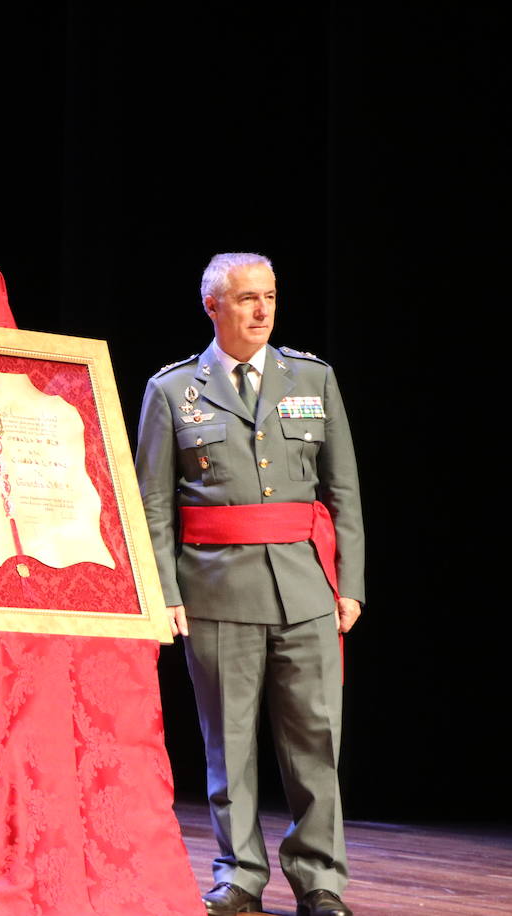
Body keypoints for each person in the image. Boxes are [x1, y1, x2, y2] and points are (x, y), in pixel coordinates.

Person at [135, 253, 364, 916]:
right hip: (214, 588)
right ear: (213, 307)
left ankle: (321, 880)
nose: (262, 311)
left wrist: (349, 583)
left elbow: (343, 489)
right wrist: (165, 592)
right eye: (245, 299)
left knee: (315, 742)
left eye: (268, 296)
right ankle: (238, 874)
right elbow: (154, 504)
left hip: (305, 588)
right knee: (228, 744)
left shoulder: (311, 378)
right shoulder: (172, 390)